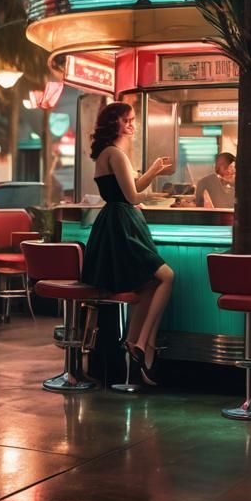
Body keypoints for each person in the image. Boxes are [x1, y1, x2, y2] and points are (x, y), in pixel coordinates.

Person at [81, 101, 175, 384]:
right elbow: (133, 196)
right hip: (122, 225)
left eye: (133, 120)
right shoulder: (115, 153)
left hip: (116, 222)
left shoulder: (108, 153)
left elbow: (129, 191)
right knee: (166, 277)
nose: (133, 125)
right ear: (115, 124)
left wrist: (154, 171)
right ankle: (140, 343)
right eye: (127, 120)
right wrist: (158, 197)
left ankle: (138, 344)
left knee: (148, 285)